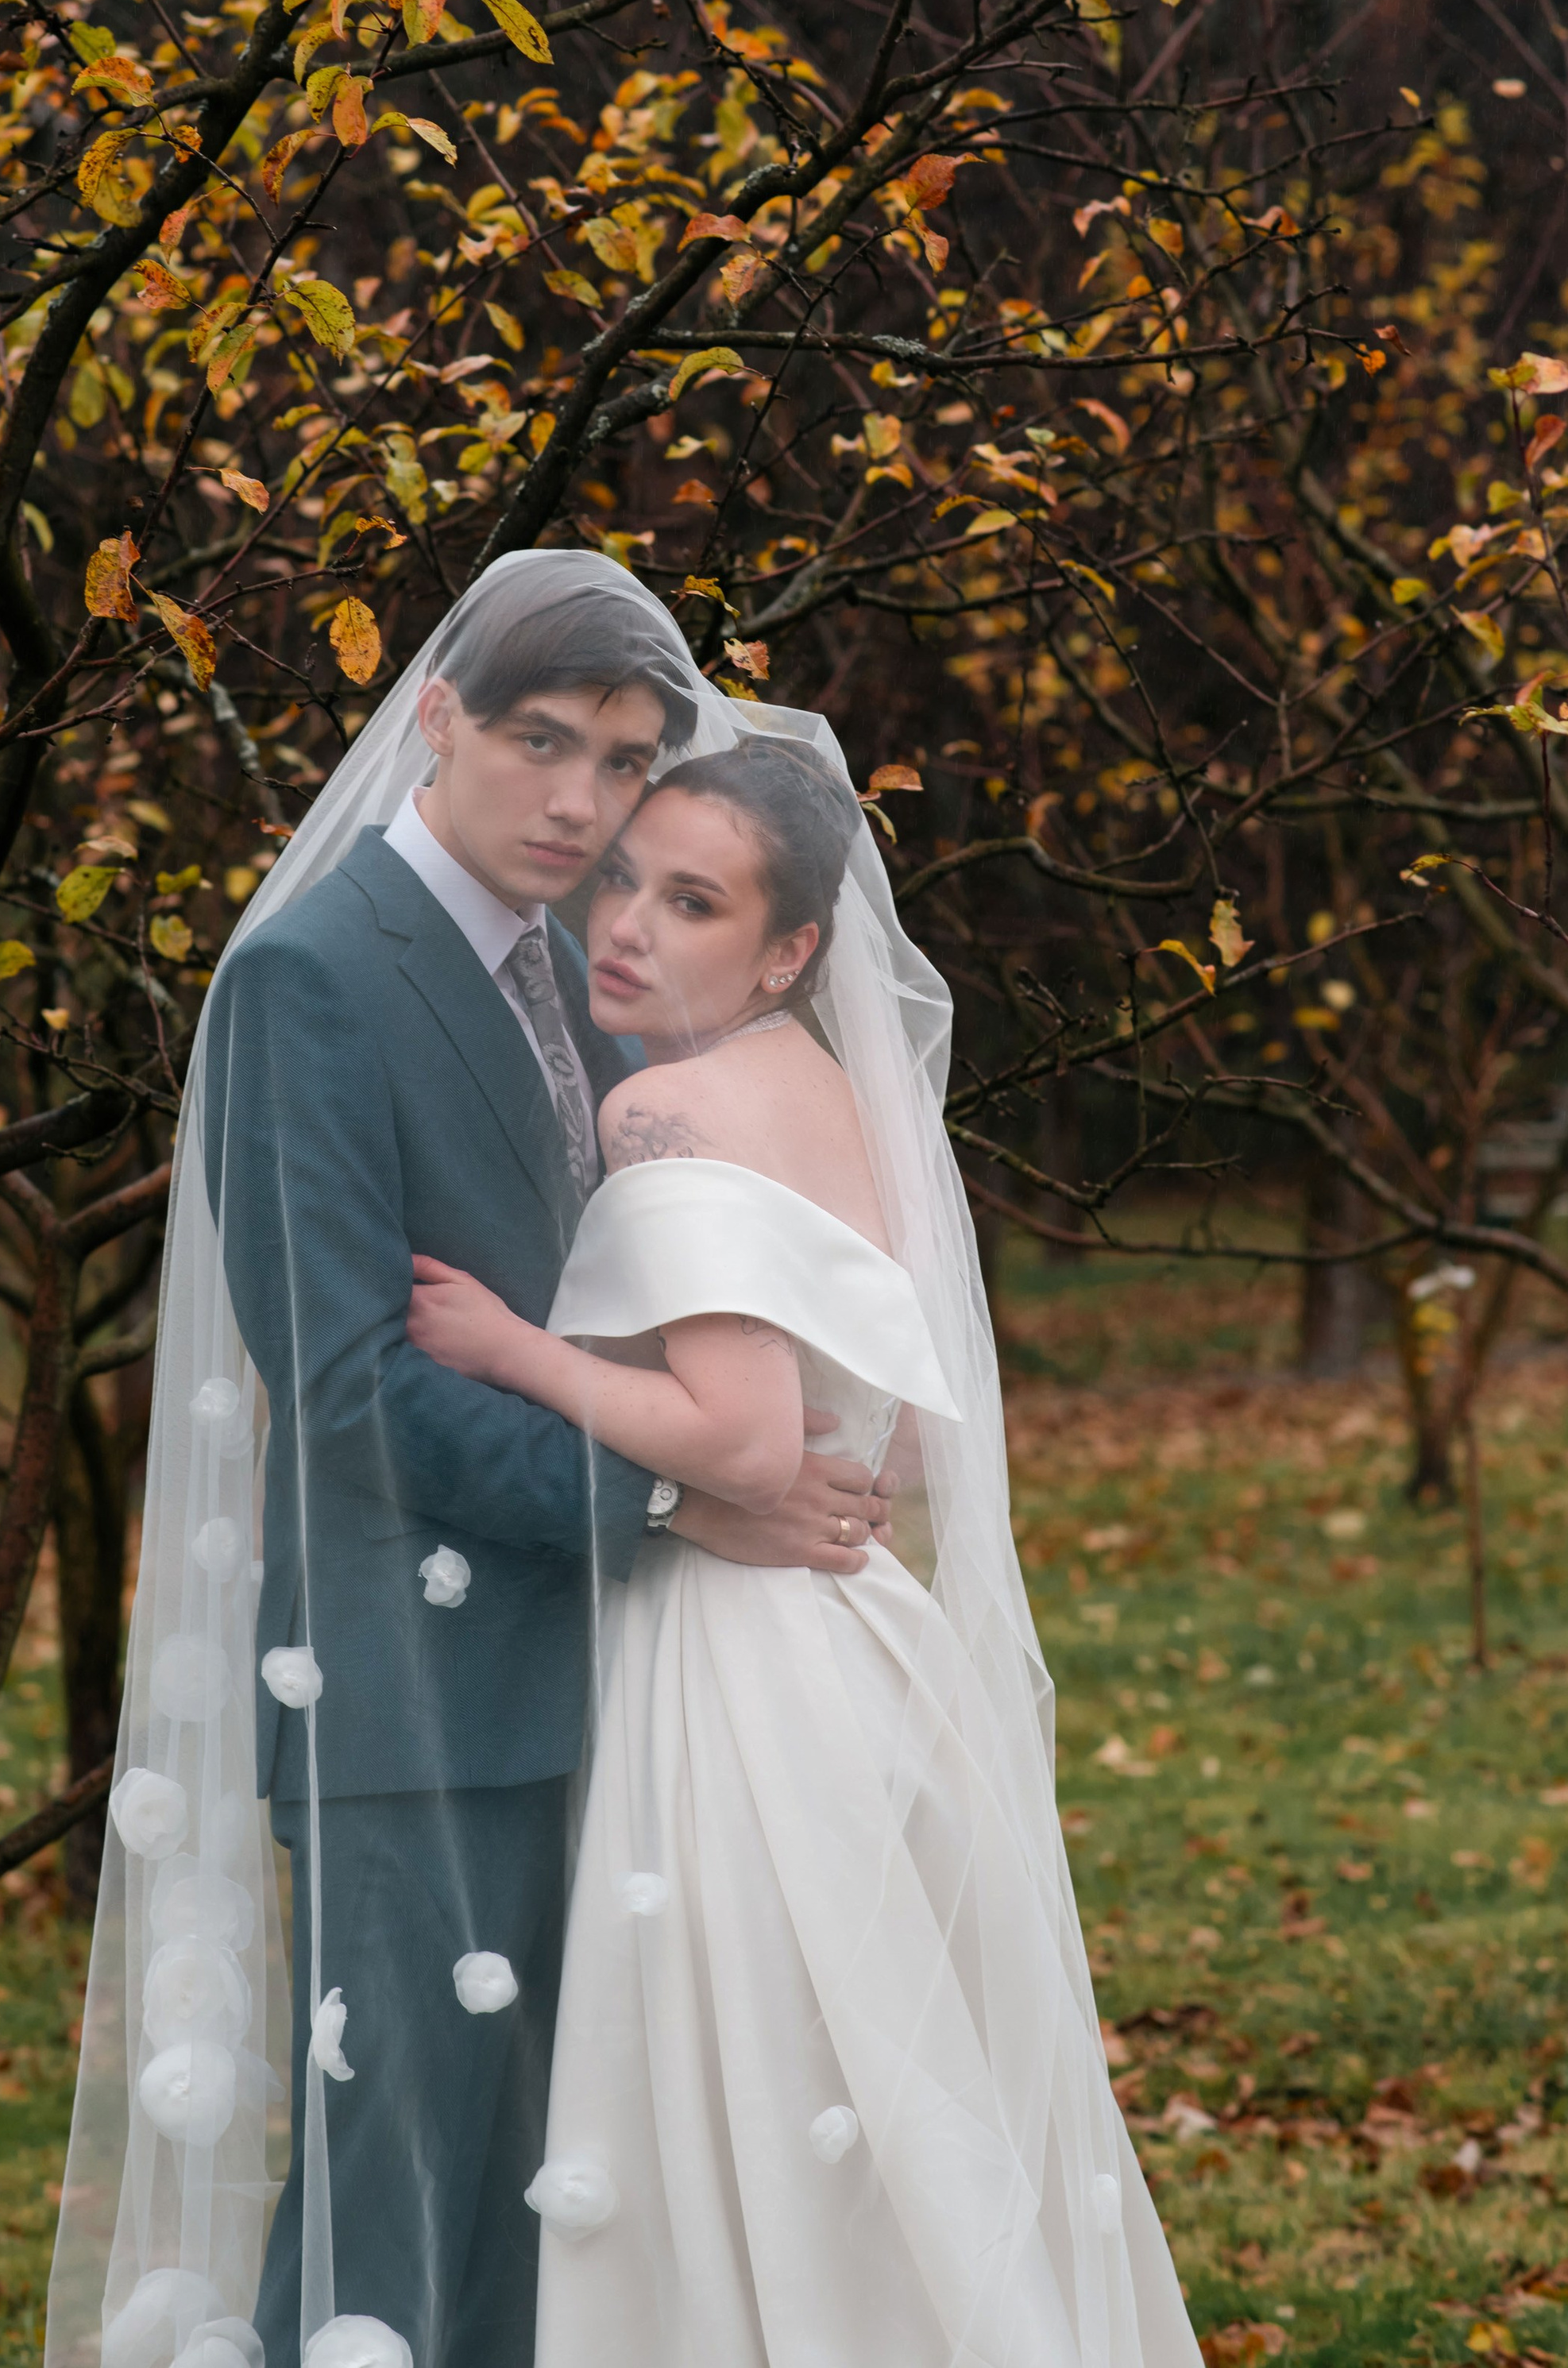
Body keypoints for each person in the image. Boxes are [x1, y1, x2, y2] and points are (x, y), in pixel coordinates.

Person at [44, 558, 897, 2368]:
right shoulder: (310, 976)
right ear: (431, 716)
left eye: (620, 757)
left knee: (559, 2203)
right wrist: (678, 1502)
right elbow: (348, 1389)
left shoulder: (586, 970)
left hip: (625, 1691)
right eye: (538, 743)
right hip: (410, 1693)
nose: (580, 802)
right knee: (393, 2197)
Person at [407, 734, 1203, 2368]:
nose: (624, 924)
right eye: (620, 876)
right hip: (862, 1636)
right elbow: (894, 1438)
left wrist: (514, 1347)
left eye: (690, 902)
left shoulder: (661, 1107)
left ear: (783, 951)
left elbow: (750, 1442)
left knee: (743, 2082)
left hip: (737, 1652)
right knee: (880, 2101)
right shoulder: (837, 1094)